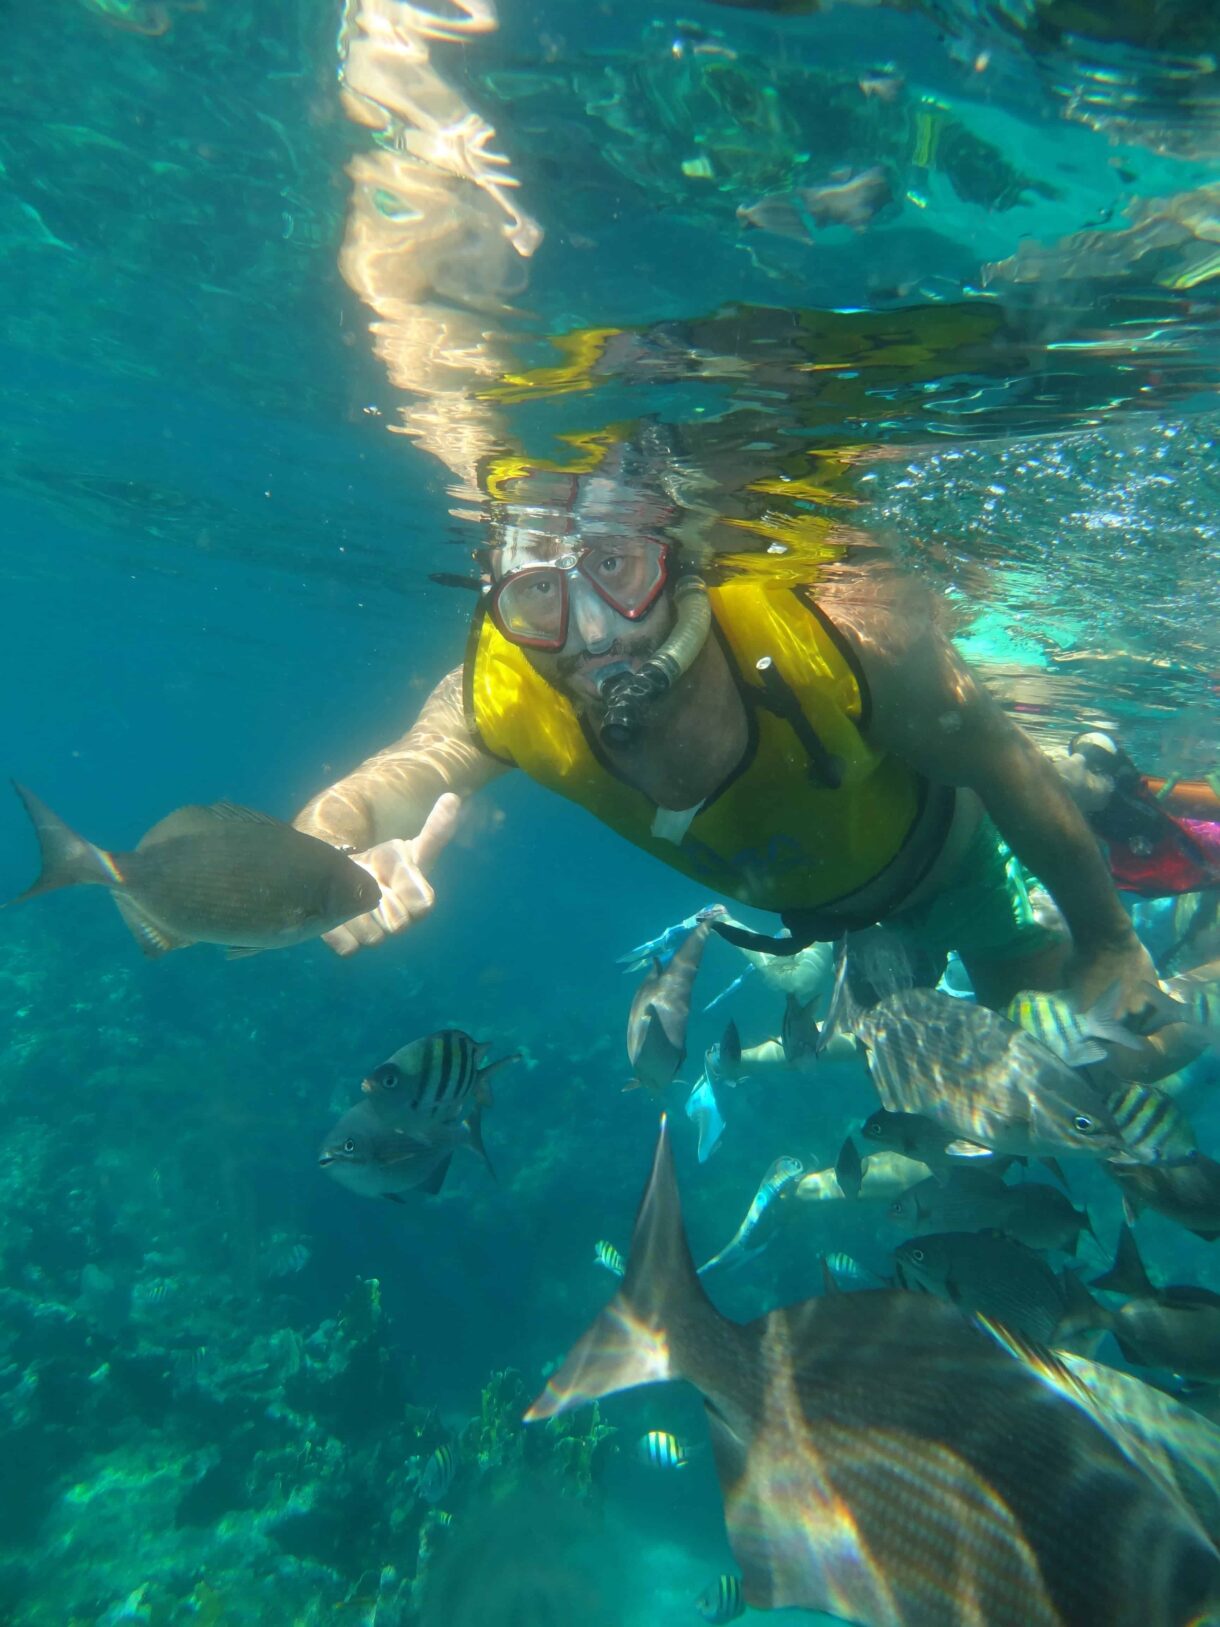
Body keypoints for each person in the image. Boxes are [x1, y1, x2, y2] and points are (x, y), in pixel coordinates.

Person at [293, 452, 1176, 1052]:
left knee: (1101, 1074)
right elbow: (371, 790)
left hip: (962, 869)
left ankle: (1108, 787)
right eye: (536, 599)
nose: (594, 637)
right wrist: (329, 861)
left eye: (616, 571)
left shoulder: (833, 635)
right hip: (832, 925)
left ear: (678, 563)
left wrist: (1109, 942)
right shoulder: (505, 692)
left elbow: (997, 764)